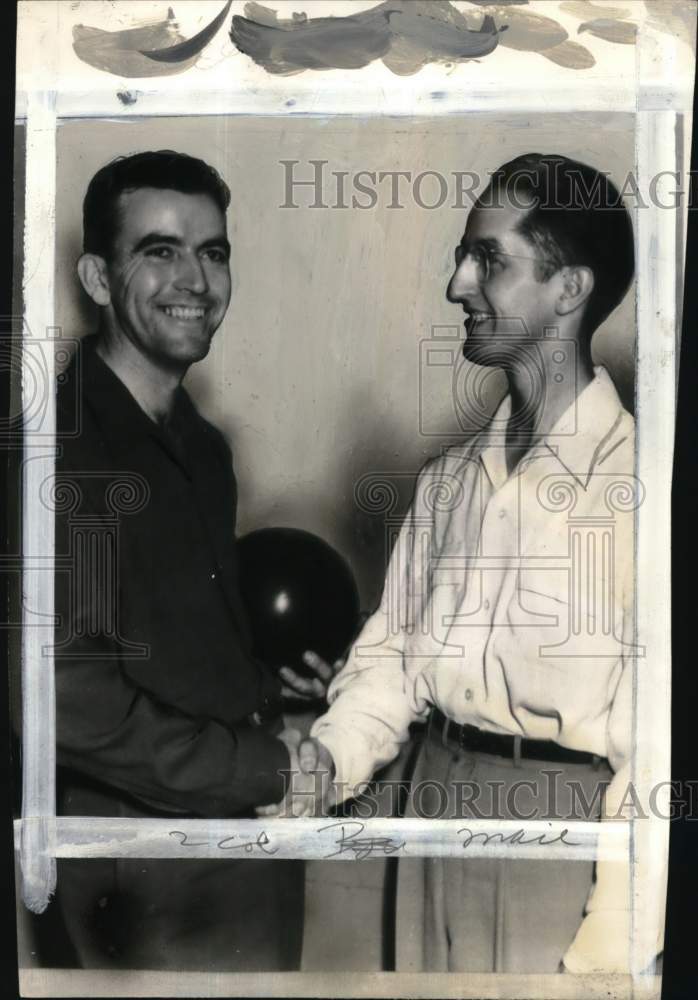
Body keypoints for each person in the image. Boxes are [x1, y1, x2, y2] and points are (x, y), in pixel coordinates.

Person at [278, 153, 659, 973]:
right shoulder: (448, 484)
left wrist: (616, 939)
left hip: (565, 839)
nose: (457, 284)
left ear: (570, 290)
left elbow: (657, 751)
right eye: (463, 256)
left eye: (488, 259)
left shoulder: (645, 493)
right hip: (429, 813)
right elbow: (390, 664)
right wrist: (324, 760)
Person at [51, 150, 332, 971]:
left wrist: (263, 682)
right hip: (142, 866)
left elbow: (169, 637)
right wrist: (263, 766)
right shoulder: (62, 452)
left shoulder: (203, 449)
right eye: (160, 250)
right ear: (98, 279)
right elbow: (72, 703)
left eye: (213, 251)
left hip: (237, 842)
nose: (196, 280)